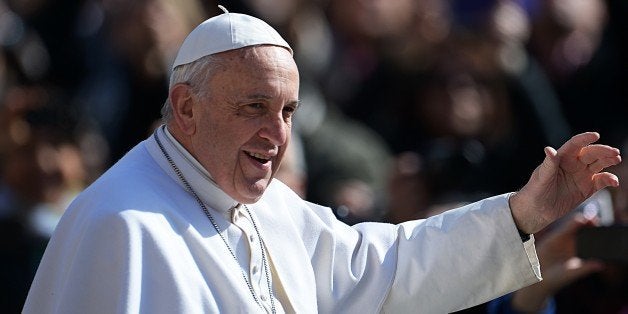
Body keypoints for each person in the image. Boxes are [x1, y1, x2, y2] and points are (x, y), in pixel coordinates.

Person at [22, 7, 621, 314]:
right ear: (186, 108)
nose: (275, 134)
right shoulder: (119, 225)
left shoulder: (268, 206)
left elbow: (391, 266)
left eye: (287, 112)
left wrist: (523, 212)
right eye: (254, 106)